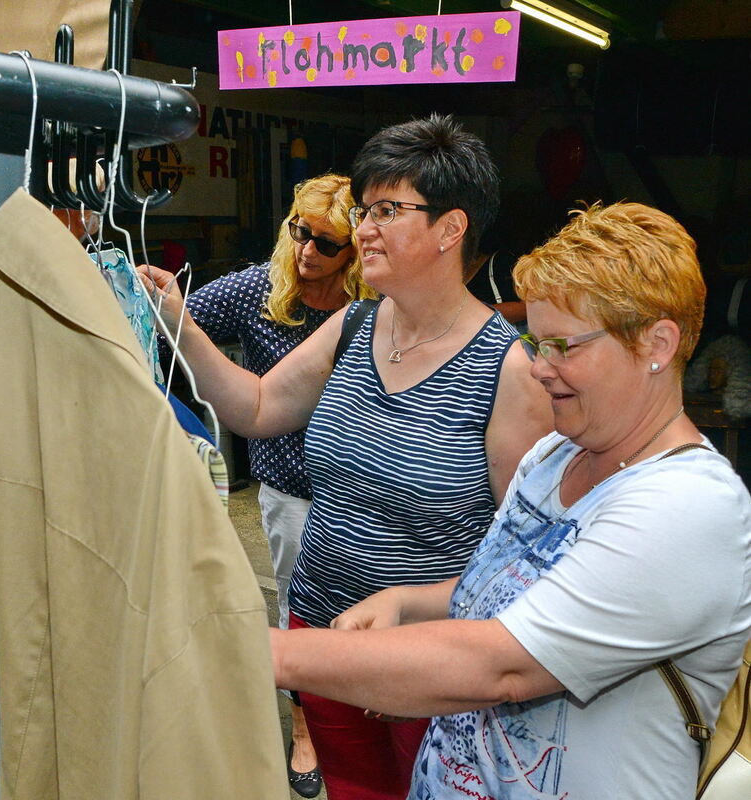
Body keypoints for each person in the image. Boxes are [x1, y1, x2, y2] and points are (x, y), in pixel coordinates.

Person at [268, 201, 751, 799]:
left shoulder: (688, 506)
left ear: (657, 343)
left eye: (563, 346)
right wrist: (407, 605)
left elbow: (502, 665)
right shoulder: (553, 456)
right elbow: (508, 590)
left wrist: (268, 653)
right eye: (534, 340)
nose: (540, 366)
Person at [140, 115, 552, 800]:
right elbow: (259, 408)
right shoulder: (355, 325)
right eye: (364, 209)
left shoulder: (505, 370)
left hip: (432, 658)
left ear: (450, 229)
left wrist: (411, 612)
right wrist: (176, 321)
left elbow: (519, 562)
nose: (363, 227)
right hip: (323, 629)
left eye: (387, 211)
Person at [179, 173, 374, 797]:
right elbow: (181, 324)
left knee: (367, 615)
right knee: (300, 614)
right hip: (291, 488)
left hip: (363, 488)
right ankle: (306, 729)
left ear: (355, 255)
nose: (306, 251)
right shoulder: (260, 292)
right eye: (298, 232)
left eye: (325, 242)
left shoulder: (372, 311)